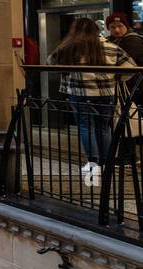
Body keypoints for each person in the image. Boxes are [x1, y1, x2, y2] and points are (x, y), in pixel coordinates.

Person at [52, 17, 130, 171]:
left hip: (79, 93)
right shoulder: (111, 47)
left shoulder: (69, 47)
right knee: (104, 127)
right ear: (97, 30)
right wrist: (116, 78)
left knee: (86, 126)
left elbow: (51, 62)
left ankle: (93, 163)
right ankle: (107, 162)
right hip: (106, 93)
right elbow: (129, 67)